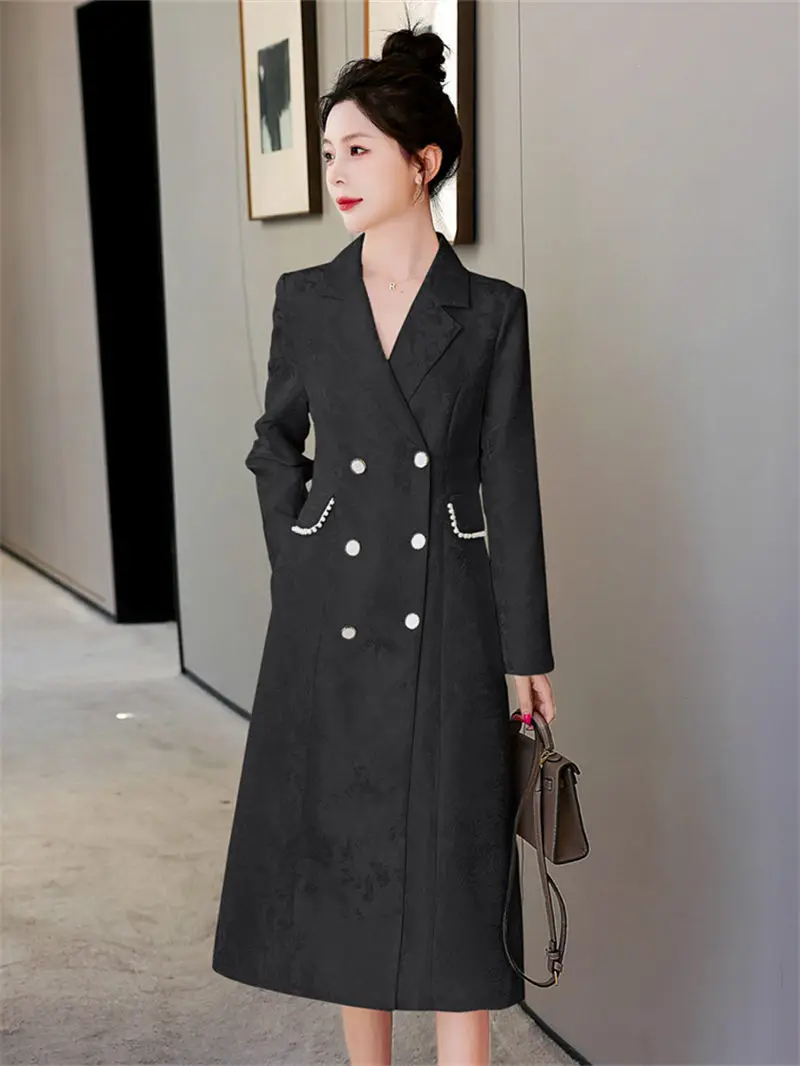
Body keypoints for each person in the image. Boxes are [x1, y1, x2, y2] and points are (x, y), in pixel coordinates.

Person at [212, 20, 557, 1066]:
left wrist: (527, 651)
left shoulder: (489, 313)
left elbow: (510, 483)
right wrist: (303, 551)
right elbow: (274, 443)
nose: (337, 173)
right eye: (328, 153)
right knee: (344, 864)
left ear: (423, 161)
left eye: (358, 149)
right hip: (330, 617)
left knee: (458, 880)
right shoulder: (307, 300)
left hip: (450, 614)